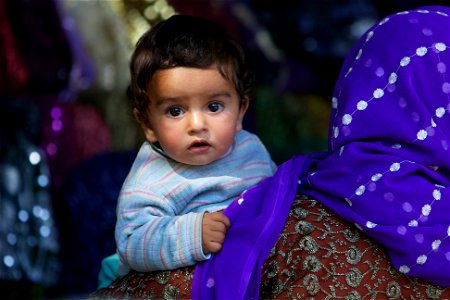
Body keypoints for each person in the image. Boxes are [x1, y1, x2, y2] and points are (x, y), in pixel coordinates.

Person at [98, 14, 277, 288]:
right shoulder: (151, 178)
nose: (197, 125)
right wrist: (193, 235)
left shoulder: (250, 149)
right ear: (148, 124)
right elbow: (132, 241)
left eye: (214, 106)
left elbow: (273, 196)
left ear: (241, 111)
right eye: (175, 111)